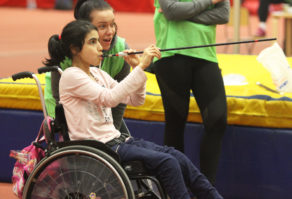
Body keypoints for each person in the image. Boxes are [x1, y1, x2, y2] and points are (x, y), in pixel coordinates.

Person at [44, 19, 224, 199]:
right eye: (92, 42)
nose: (100, 47)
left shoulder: (98, 74)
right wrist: (142, 67)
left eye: (98, 41)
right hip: (100, 148)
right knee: (168, 162)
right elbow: (110, 98)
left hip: (118, 141)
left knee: (177, 156)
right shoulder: (71, 75)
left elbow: (136, 99)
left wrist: (136, 67)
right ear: (75, 49)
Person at [152, 0, 230, 185]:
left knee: (217, 120)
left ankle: (206, 189)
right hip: (172, 54)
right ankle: (175, 188)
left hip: (205, 54)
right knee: (176, 123)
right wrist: (209, 2)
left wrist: (184, 14)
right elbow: (171, 11)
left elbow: (223, 15)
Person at [44, 0, 135, 136]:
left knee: (124, 144)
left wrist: (111, 133)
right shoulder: (67, 52)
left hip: (101, 112)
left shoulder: (122, 49)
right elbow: (59, 100)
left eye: (113, 24)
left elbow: (121, 100)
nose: (110, 32)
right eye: (102, 26)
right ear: (84, 28)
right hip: (69, 114)